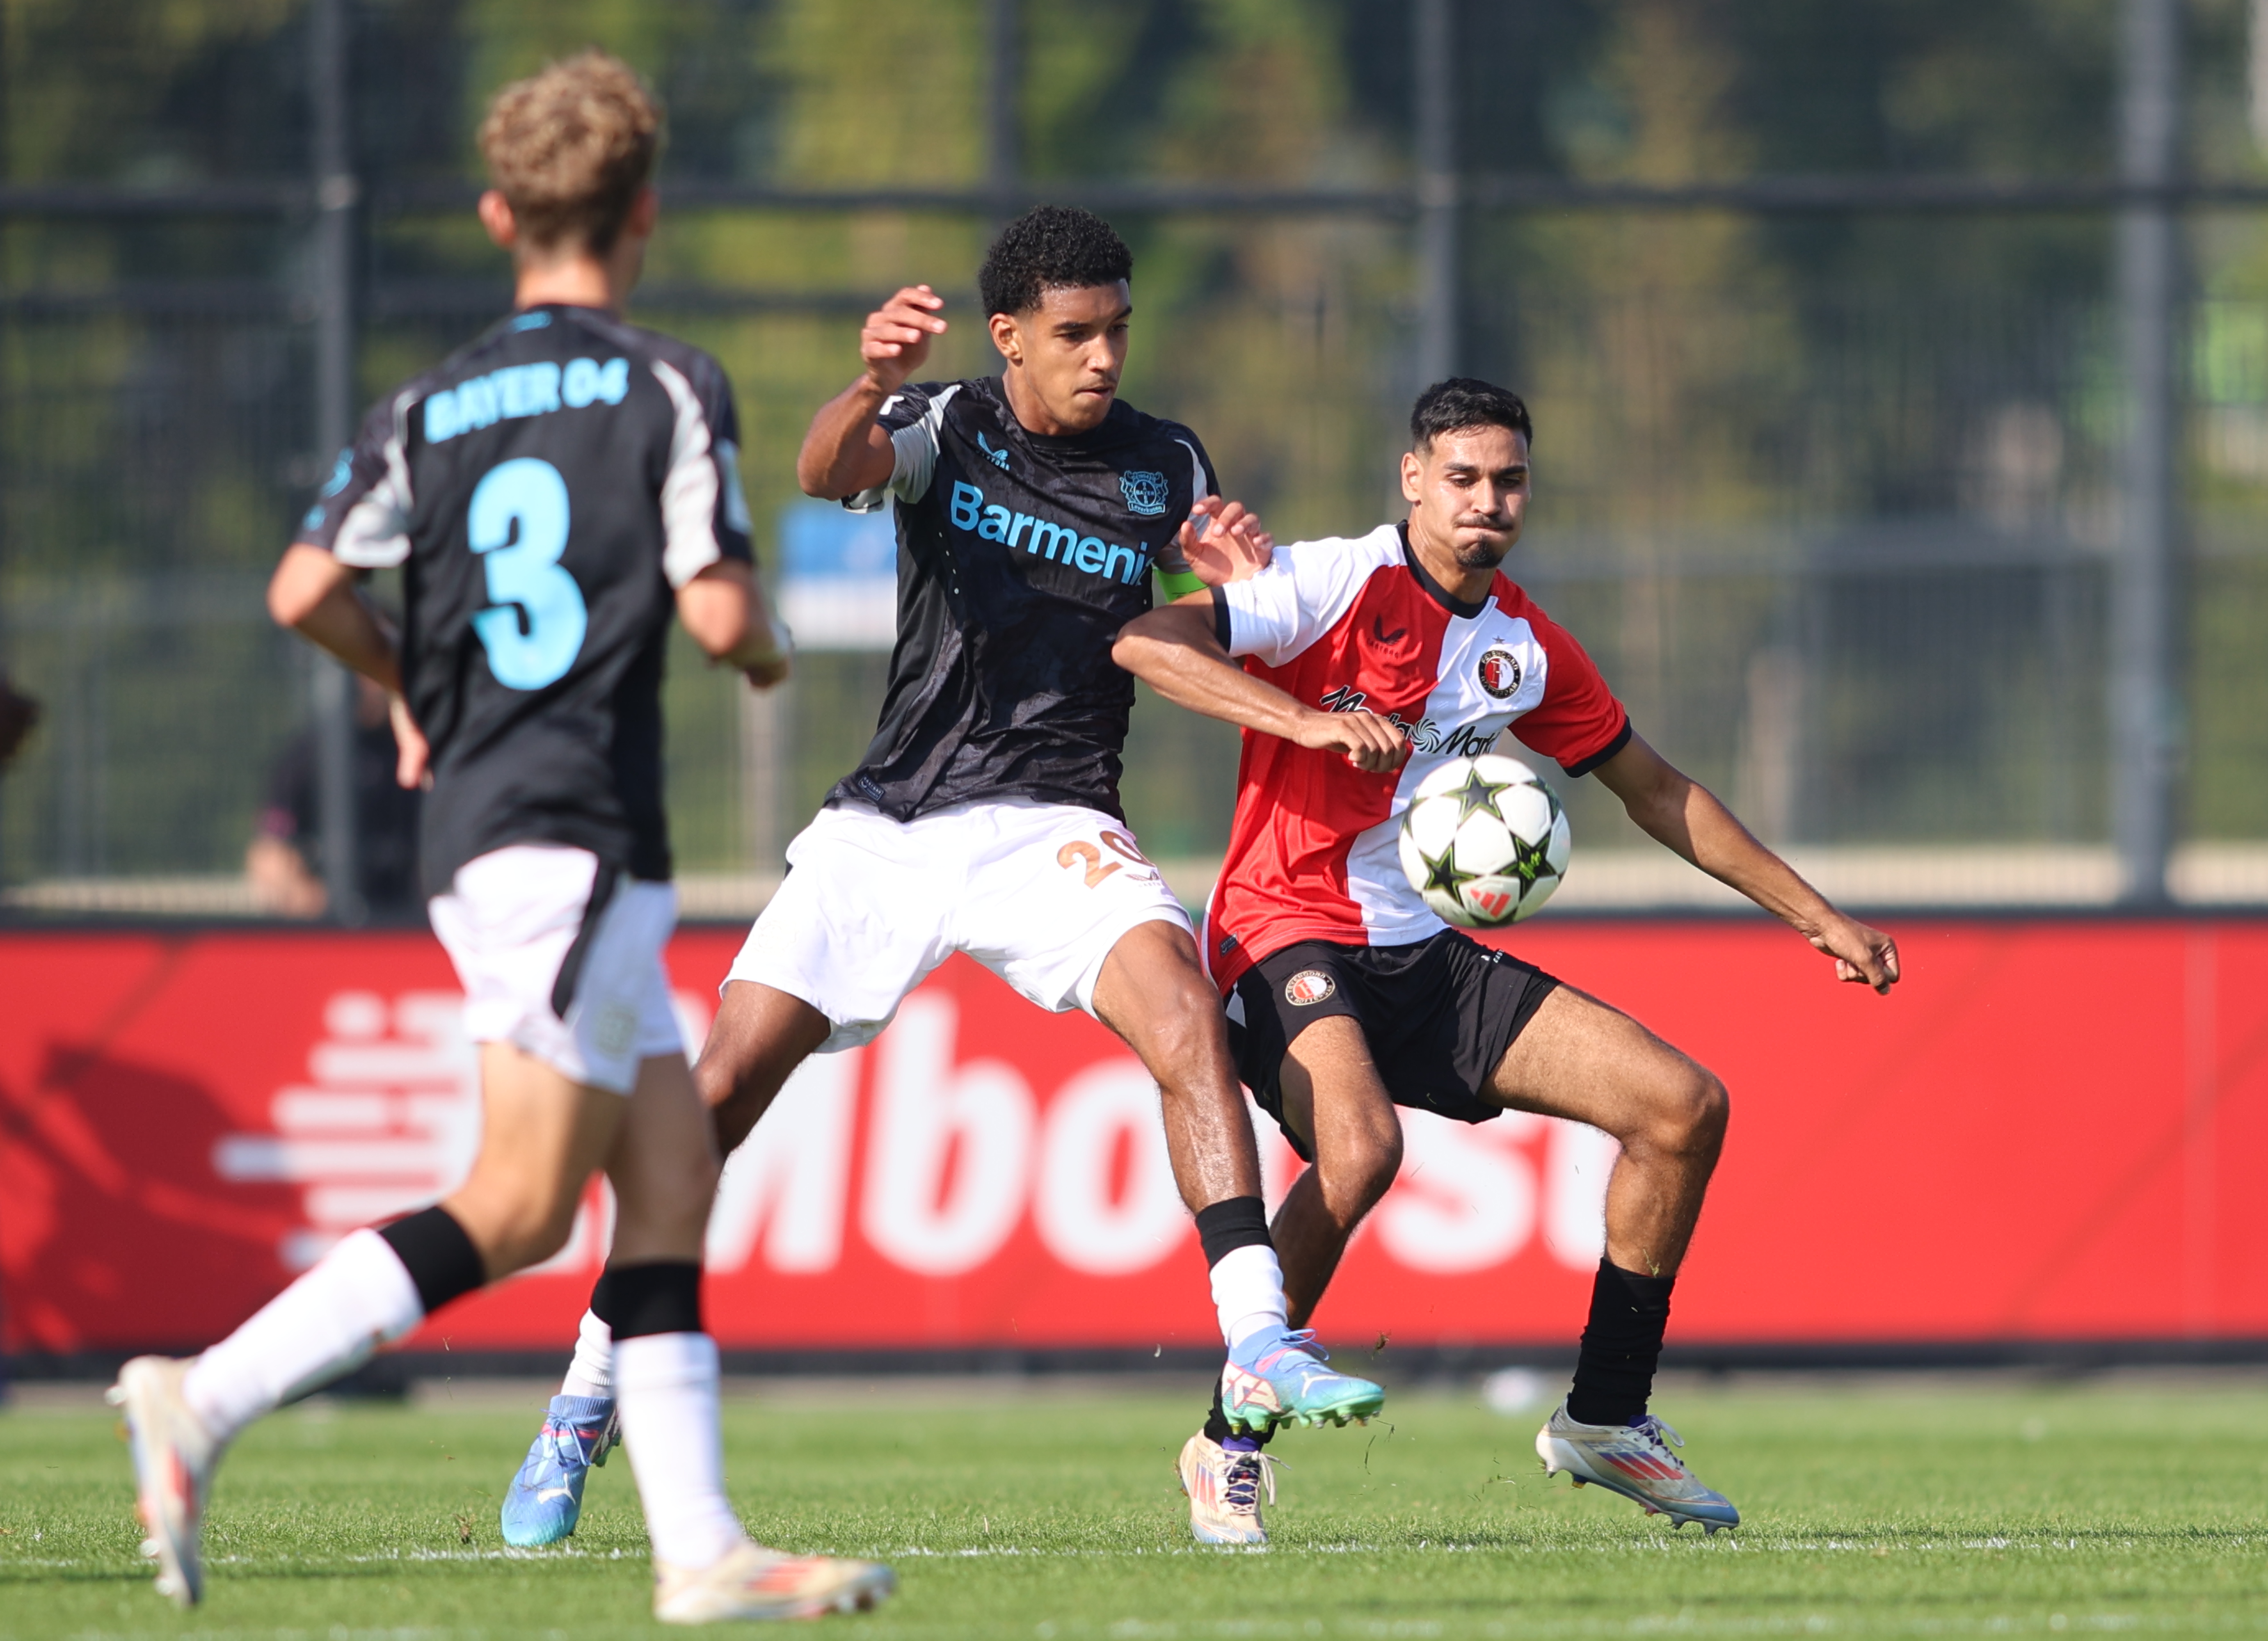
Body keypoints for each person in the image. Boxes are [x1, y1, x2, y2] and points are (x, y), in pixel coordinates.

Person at [110, 52, 895, 1623]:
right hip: (568, 826)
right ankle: (206, 1390)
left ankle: (701, 1549)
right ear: (647, 212)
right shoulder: (666, 382)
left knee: (669, 1171)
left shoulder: (431, 402)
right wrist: (754, 650)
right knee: (526, 1203)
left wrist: (409, 689)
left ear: (496, 215)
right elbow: (723, 603)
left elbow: (300, 587)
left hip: (499, 821)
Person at [495, 204, 1385, 1548]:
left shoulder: (1166, 460)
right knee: (720, 1095)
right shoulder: (946, 424)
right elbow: (817, 471)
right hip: (895, 823)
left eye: (1118, 331)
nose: (1102, 358)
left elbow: (1197, 618)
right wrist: (868, 386)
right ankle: (583, 1396)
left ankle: (1257, 1337)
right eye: (1074, 335)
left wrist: (1230, 585)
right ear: (1009, 336)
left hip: (1058, 825)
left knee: (1187, 1021)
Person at [1111, 378, 1902, 1547]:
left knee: (1682, 1108)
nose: (1489, 501)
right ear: (1415, 478)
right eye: (1465, 477)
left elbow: (1658, 790)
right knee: (1362, 1148)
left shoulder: (1520, 648)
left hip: (1424, 952)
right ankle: (1228, 1443)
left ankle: (1607, 1418)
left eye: (1511, 480)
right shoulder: (1333, 582)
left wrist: (1816, 915)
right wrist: (1300, 715)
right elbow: (1151, 644)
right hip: (1281, 928)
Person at [248, 672, 424, 919]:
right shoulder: (307, 756)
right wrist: (312, 900)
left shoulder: (414, 748)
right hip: (331, 914)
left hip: (408, 914)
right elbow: (269, 852)